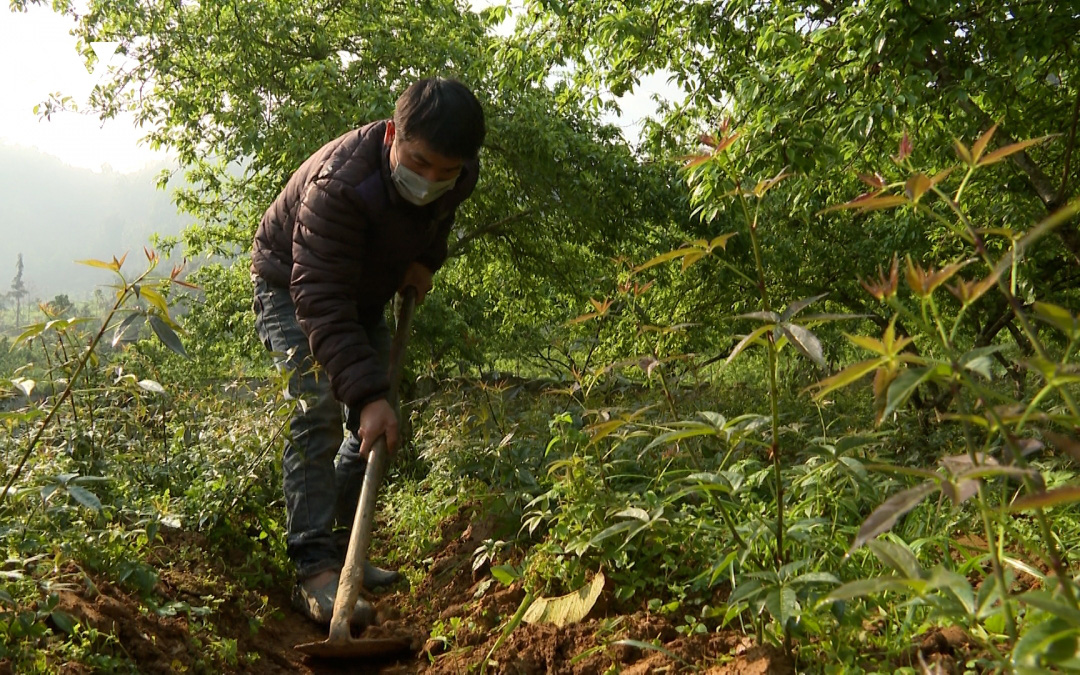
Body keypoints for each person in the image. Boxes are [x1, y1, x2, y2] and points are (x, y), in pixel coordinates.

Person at [250, 78, 485, 625]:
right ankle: (313, 570)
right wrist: (367, 393)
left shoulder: (458, 174)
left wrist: (427, 261)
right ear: (390, 135)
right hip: (295, 285)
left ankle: (345, 553)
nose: (430, 181)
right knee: (321, 406)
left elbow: (436, 220)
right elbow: (319, 297)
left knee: (371, 427)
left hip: (364, 287)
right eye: (419, 162)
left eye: (444, 172)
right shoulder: (341, 185)